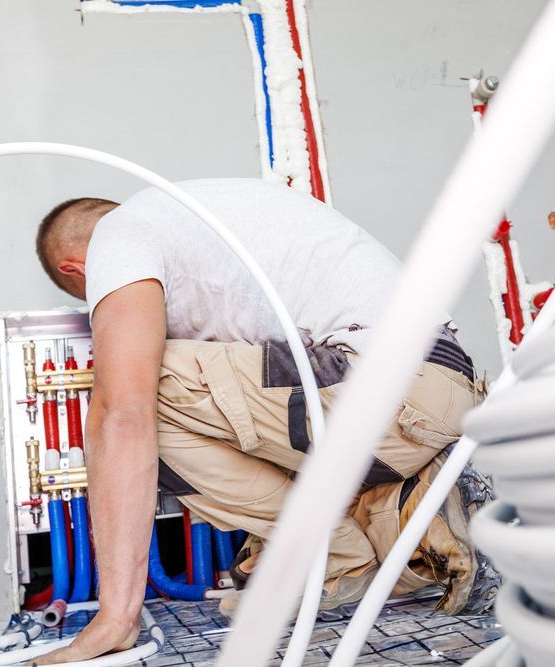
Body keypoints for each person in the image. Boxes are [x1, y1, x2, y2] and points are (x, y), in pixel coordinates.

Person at [33, 178, 496, 663]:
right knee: (250, 576)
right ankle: (400, 517)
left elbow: (122, 415)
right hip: (434, 389)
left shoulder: (116, 235)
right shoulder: (192, 222)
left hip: (384, 381)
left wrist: (115, 619)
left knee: (141, 385)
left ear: (77, 268)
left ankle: (337, 544)